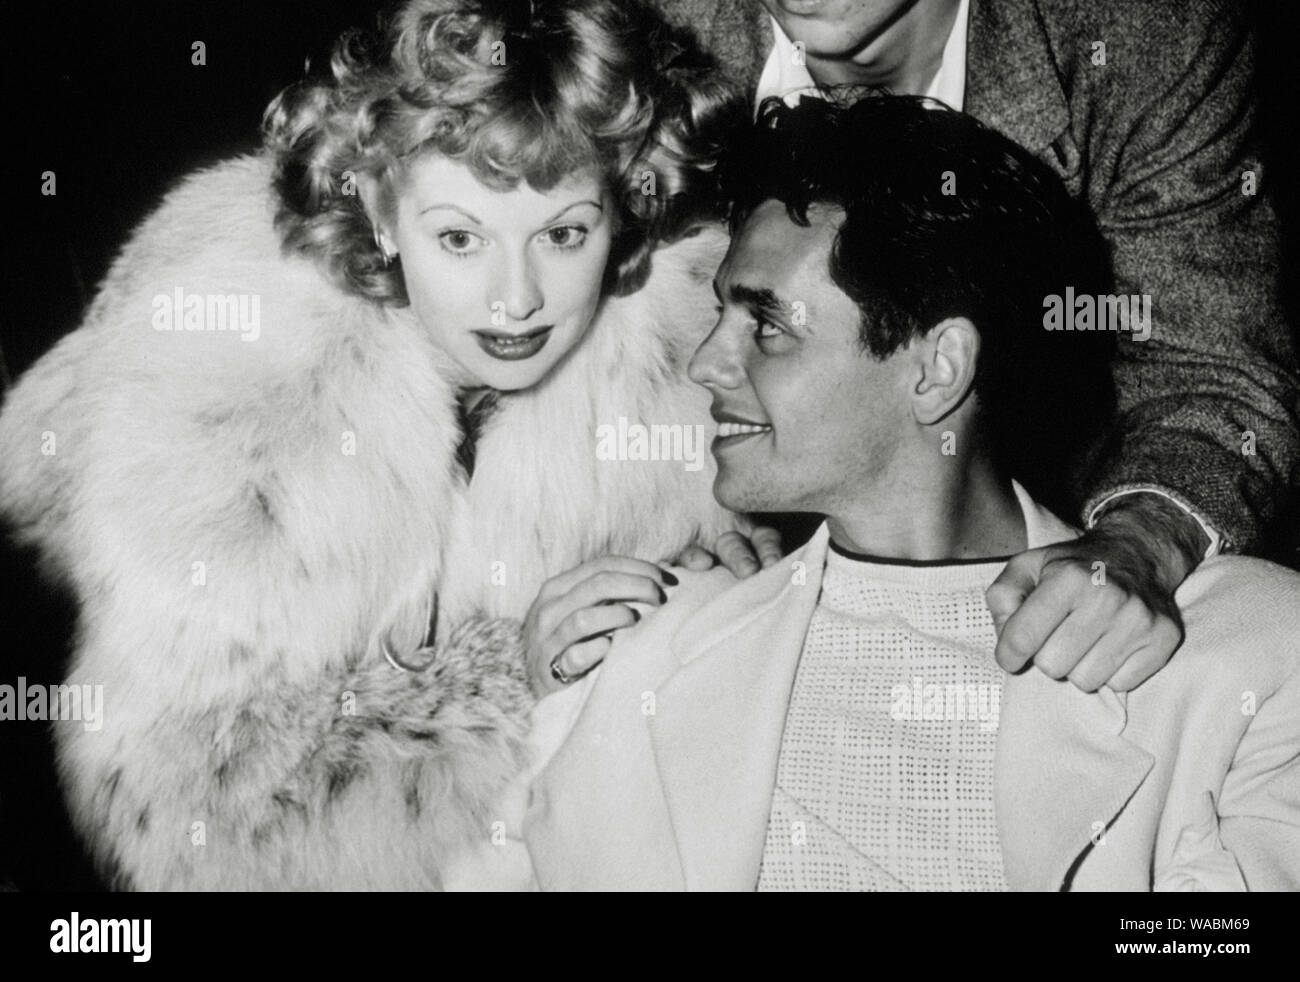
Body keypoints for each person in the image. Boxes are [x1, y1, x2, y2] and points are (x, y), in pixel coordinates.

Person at [0, 0, 754, 890]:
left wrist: (713, 611)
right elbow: (185, 809)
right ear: (380, 211)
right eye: (459, 237)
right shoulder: (228, 383)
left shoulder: (690, 384)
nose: (515, 299)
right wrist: (511, 677)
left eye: (562, 234)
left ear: (626, 213)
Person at [521, 95, 1300, 891]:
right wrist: (556, 716)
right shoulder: (647, 650)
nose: (705, 366)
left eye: (766, 326)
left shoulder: (1252, 651)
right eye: (721, 314)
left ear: (938, 369)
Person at [647, 0, 1300, 698]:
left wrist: (1139, 543)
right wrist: (660, 525)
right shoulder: (647, 21)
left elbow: (1211, 369)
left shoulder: (1140, 38)